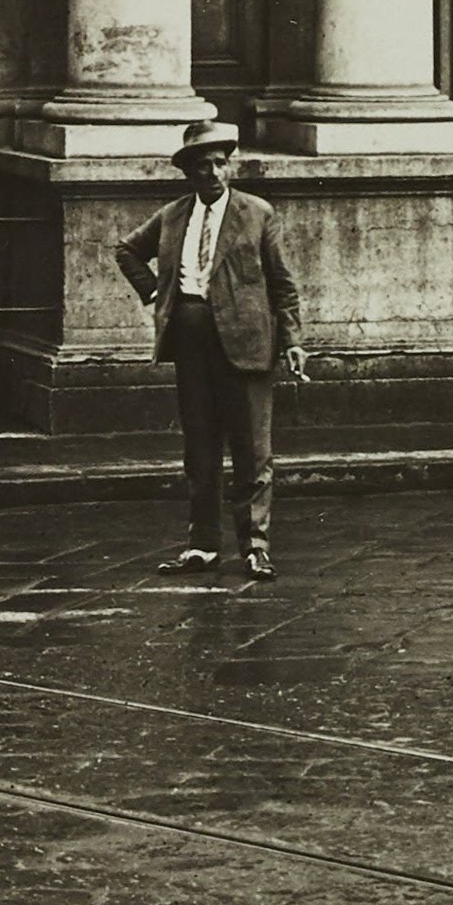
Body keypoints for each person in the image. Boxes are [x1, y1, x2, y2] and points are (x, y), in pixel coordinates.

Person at [118, 112, 307, 579]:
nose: (213, 173)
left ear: (230, 166)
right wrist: (155, 292)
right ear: (188, 171)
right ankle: (202, 545)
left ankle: (254, 546)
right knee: (200, 449)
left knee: (252, 450)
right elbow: (126, 250)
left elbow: (282, 283)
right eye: (202, 166)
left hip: (248, 343)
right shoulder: (173, 215)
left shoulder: (257, 213)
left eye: (220, 163)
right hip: (191, 342)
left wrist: (293, 341)